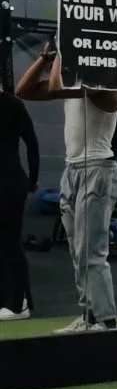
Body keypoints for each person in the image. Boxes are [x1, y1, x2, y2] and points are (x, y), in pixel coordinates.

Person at [15, 40, 117, 334]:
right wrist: (43, 58)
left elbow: (53, 88)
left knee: (92, 252)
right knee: (77, 252)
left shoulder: (108, 90)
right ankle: (89, 317)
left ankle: (106, 320)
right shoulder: (72, 87)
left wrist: (62, 55)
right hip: (72, 171)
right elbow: (22, 91)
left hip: (98, 171)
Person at [0, 86, 40, 321]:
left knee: (10, 243)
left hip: (10, 184)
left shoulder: (13, 105)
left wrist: (33, 180)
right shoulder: (14, 105)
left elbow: (32, 143)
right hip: (10, 182)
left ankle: (19, 304)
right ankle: (12, 298)